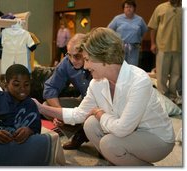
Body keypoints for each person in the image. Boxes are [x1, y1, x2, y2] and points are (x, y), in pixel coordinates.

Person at [33, 27, 175, 166]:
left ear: (104, 57)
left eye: (87, 59)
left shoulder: (139, 80)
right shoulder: (97, 83)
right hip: (127, 130)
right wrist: (41, 108)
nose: (85, 66)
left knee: (109, 144)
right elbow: (78, 114)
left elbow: (122, 129)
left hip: (157, 138)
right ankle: (118, 161)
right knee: (90, 124)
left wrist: (100, 114)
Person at [43, 33, 92, 150]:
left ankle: (95, 136)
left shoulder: (98, 62)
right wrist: (60, 113)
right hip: (83, 102)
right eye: (69, 55)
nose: (72, 60)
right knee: (47, 108)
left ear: (87, 53)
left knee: (93, 122)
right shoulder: (66, 63)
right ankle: (80, 133)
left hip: (101, 106)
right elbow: (50, 88)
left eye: (77, 56)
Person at [148, 0, 182, 104]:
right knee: (161, 73)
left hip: (180, 47)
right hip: (163, 47)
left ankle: (174, 95)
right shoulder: (160, 8)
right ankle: (162, 96)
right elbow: (153, 27)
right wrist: (153, 43)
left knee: (176, 74)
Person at [108, 0, 147, 66]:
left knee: (132, 67)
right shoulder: (117, 19)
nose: (128, 9)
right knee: (120, 66)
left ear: (134, 8)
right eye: (126, 7)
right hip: (120, 47)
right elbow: (109, 30)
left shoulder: (139, 19)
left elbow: (144, 31)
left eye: (131, 7)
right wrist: (114, 42)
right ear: (123, 9)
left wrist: (140, 40)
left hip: (134, 47)